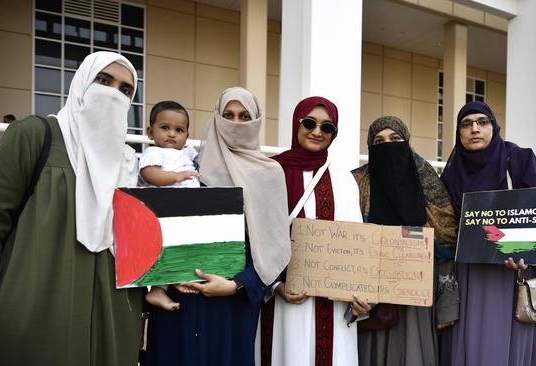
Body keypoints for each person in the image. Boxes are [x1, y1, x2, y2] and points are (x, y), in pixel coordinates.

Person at [0, 51, 145, 365]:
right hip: (37, 312)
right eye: (103, 81)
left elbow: (140, 242)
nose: (113, 94)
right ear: (81, 83)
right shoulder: (34, 136)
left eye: (125, 90)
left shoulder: (128, 163)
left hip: (114, 319)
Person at [144, 87, 291, 366]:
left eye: (244, 116)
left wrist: (236, 285)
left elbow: (273, 249)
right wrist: (168, 275)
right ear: (216, 117)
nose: (235, 122)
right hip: (181, 302)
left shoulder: (270, 174)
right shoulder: (188, 167)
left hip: (231, 310)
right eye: (228, 115)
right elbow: (159, 225)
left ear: (256, 121)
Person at [260, 96, 371, 366]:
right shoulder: (270, 173)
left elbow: (356, 245)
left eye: (327, 127)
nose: (317, 132)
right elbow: (257, 238)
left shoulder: (344, 180)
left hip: (332, 308)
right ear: (296, 124)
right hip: (284, 304)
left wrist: (361, 300)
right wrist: (276, 286)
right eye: (309, 123)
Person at [440, 101, 536, 366]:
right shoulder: (453, 172)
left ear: (494, 126)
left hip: (511, 270)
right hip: (467, 272)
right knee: (466, 338)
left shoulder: (518, 159)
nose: (474, 129)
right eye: (466, 124)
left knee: (503, 343)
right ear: (459, 132)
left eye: (482, 122)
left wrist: (526, 253)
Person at [350, 116, 459, 366]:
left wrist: (446, 306)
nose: (387, 145)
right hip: (368, 297)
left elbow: (446, 243)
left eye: (395, 139)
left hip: (418, 296)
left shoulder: (427, 180)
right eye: (379, 141)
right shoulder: (356, 183)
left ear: (406, 142)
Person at [139, 100, 200, 311]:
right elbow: (150, 174)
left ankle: (176, 278)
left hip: (186, 211)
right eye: (165, 128)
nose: (172, 134)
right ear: (150, 131)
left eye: (179, 130)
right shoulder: (155, 152)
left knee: (184, 247)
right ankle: (158, 288)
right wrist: (175, 177)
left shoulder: (187, 153)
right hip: (164, 211)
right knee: (164, 247)